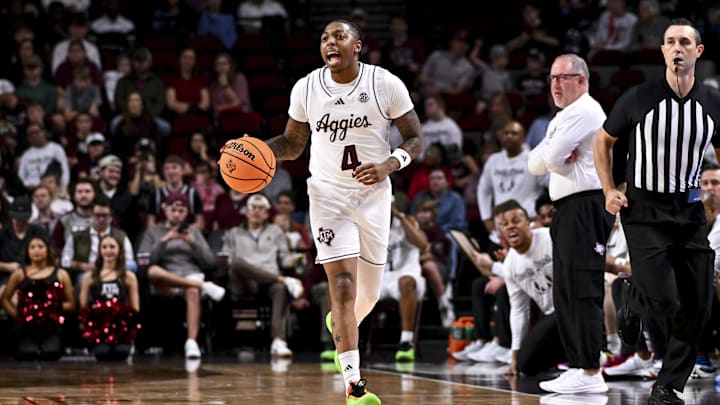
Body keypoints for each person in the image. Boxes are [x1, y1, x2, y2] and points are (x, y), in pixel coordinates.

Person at [264, 19, 423, 405]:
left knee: (364, 297)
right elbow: (292, 143)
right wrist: (257, 151)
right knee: (343, 287)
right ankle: (355, 387)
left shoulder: (384, 83)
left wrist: (390, 163)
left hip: (374, 197)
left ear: (358, 46)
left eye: (339, 36)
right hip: (327, 196)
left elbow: (416, 138)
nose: (329, 42)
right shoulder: (306, 87)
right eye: (323, 38)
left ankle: (341, 323)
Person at [594, 19, 720, 403]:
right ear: (663, 51)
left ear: (698, 51)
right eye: (670, 42)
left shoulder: (713, 100)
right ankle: (634, 298)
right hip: (645, 208)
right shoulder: (638, 97)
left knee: (698, 303)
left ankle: (668, 385)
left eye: (684, 42)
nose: (676, 48)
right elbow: (603, 141)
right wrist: (609, 190)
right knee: (665, 299)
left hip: (690, 209)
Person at [528, 53, 614, 394]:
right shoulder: (564, 116)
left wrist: (553, 156)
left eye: (562, 77)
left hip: (585, 206)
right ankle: (579, 364)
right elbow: (535, 163)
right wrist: (555, 156)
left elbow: (547, 158)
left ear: (581, 80)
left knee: (583, 288)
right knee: (564, 291)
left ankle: (592, 371)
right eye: (551, 78)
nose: (555, 85)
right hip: (566, 208)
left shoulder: (585, 111)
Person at [221, 194, 305, 357]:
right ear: (246, 211)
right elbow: (228, 260)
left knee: (280, 289)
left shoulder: (276, 232)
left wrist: (296, 260)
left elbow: (284, 258)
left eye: (261, 208)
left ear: (267, 213)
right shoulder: (234, 233)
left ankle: (278, 341)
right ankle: (284, 279)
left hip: (268, 283)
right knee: (237, 263)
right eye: (253, 207)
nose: (257, 211)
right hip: (244, 282)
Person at [1, 235, 74, 361]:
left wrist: (52, 309)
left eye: (40, 247)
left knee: (51, 354)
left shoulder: (61, 274)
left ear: (47, 250)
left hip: (52, 327)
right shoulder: (19, 274)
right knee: (26, 355)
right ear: (27, 251)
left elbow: (71, 304)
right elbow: (4, 299)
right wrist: (18, 316)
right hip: (27, 327)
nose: (36, 250)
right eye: (32, 247)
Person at [78, 234, 140, 361]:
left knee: (121, 353)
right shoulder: (89, 277)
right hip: (99, 327)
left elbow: (135, 307)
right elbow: (83, 306)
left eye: (112, 247)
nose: (108, 251)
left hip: (121, 327)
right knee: (102, 353)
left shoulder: (129, 277)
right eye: (104, 247)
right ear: (100, 251)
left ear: (119, 250)